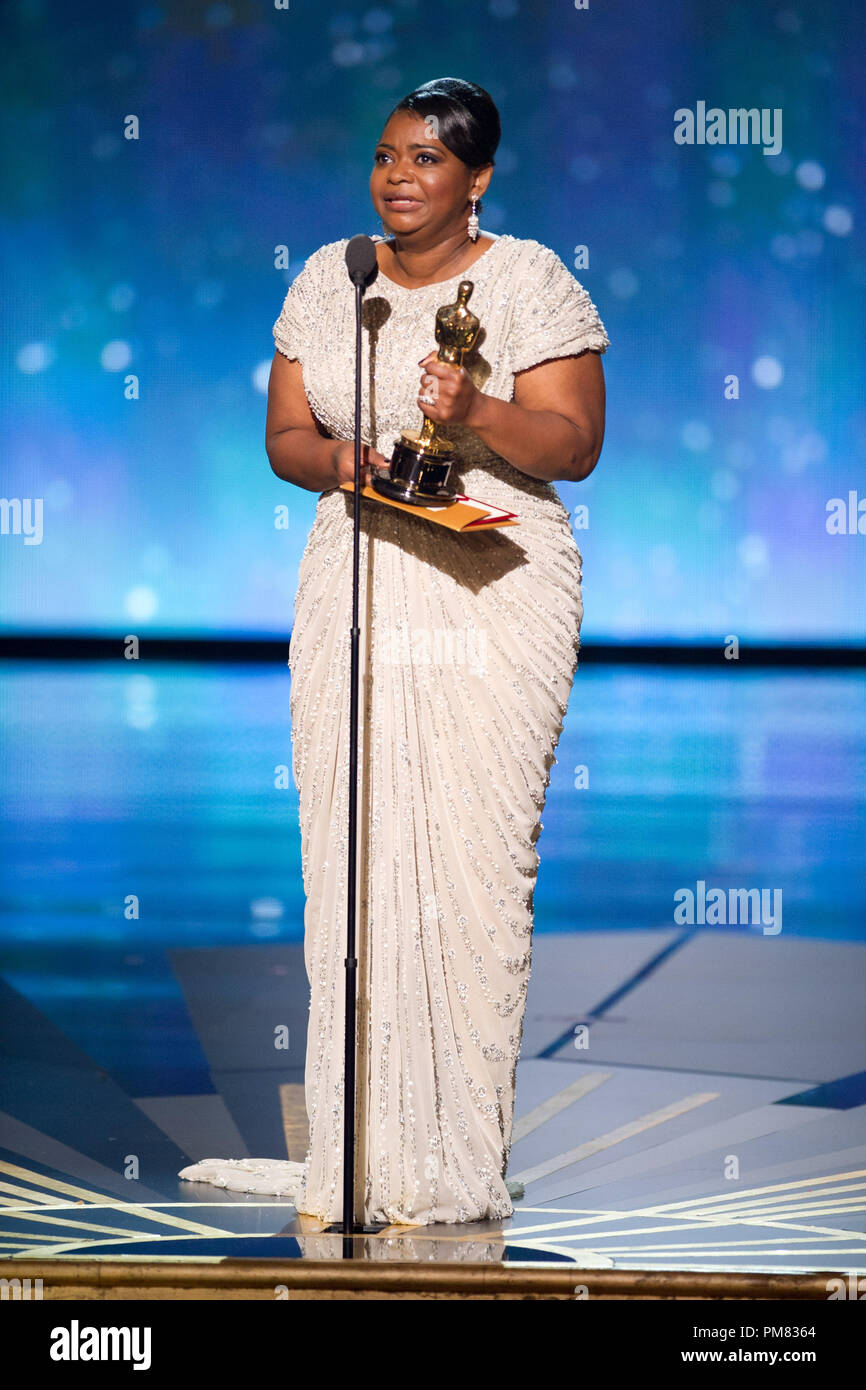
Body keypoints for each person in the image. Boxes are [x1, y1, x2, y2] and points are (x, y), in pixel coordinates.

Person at [179, 76, 608, 1227]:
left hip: (494, 585)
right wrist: (345, 465)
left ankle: (452, 1157)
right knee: (359, 868)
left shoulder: (527, 282)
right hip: (359, 575)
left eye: (424, 159)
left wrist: (473, 417)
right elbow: (284, 437)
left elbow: (572, 445)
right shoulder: (334, 278)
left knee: (467, 870)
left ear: (476, 178)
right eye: (385, 155)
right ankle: (363, 1154)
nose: (397, 176)